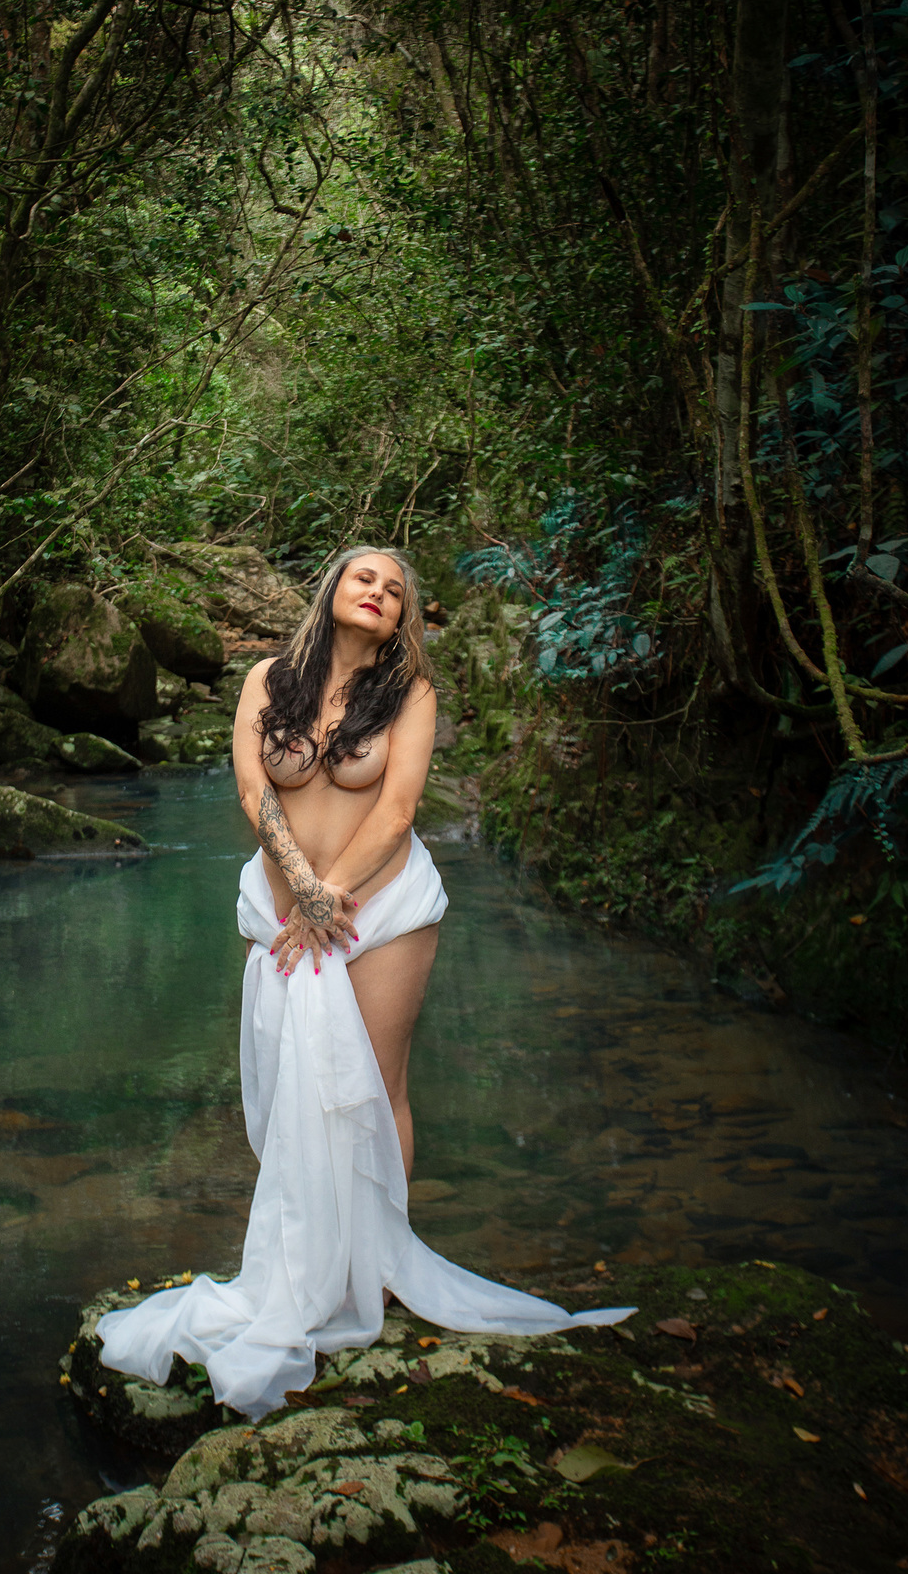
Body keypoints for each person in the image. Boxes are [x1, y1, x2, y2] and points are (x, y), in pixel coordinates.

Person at [96, 546, 633, 1419]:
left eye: (394, 588)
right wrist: (300, 895)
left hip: (379, 910)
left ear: (403, 615)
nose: (378, 592)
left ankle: (378, 1270)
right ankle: (307, 1264)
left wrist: (331, 896)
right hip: (281, 908)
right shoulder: (270, 679)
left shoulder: (410, 695)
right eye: (364, 578)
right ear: (333, 591)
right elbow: (250, 789)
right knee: (292, 1090)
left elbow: (397, 809)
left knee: (376, 1092)